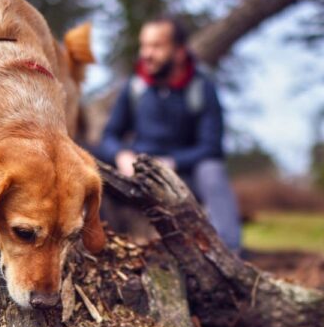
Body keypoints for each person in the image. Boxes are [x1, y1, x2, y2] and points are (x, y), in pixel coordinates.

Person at [95, 17, 242, 252]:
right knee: (87, 160)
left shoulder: (202, 88)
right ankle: (93, 247)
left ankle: (230, 254)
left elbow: (212, 147)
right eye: (144, 46)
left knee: (212, 171)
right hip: (136, 173)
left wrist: (171, 163)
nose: (147, 54)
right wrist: (122, 155)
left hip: (185, 176)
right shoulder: (134, 86)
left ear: (180, 51)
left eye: (156, 46)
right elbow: (109, 136)